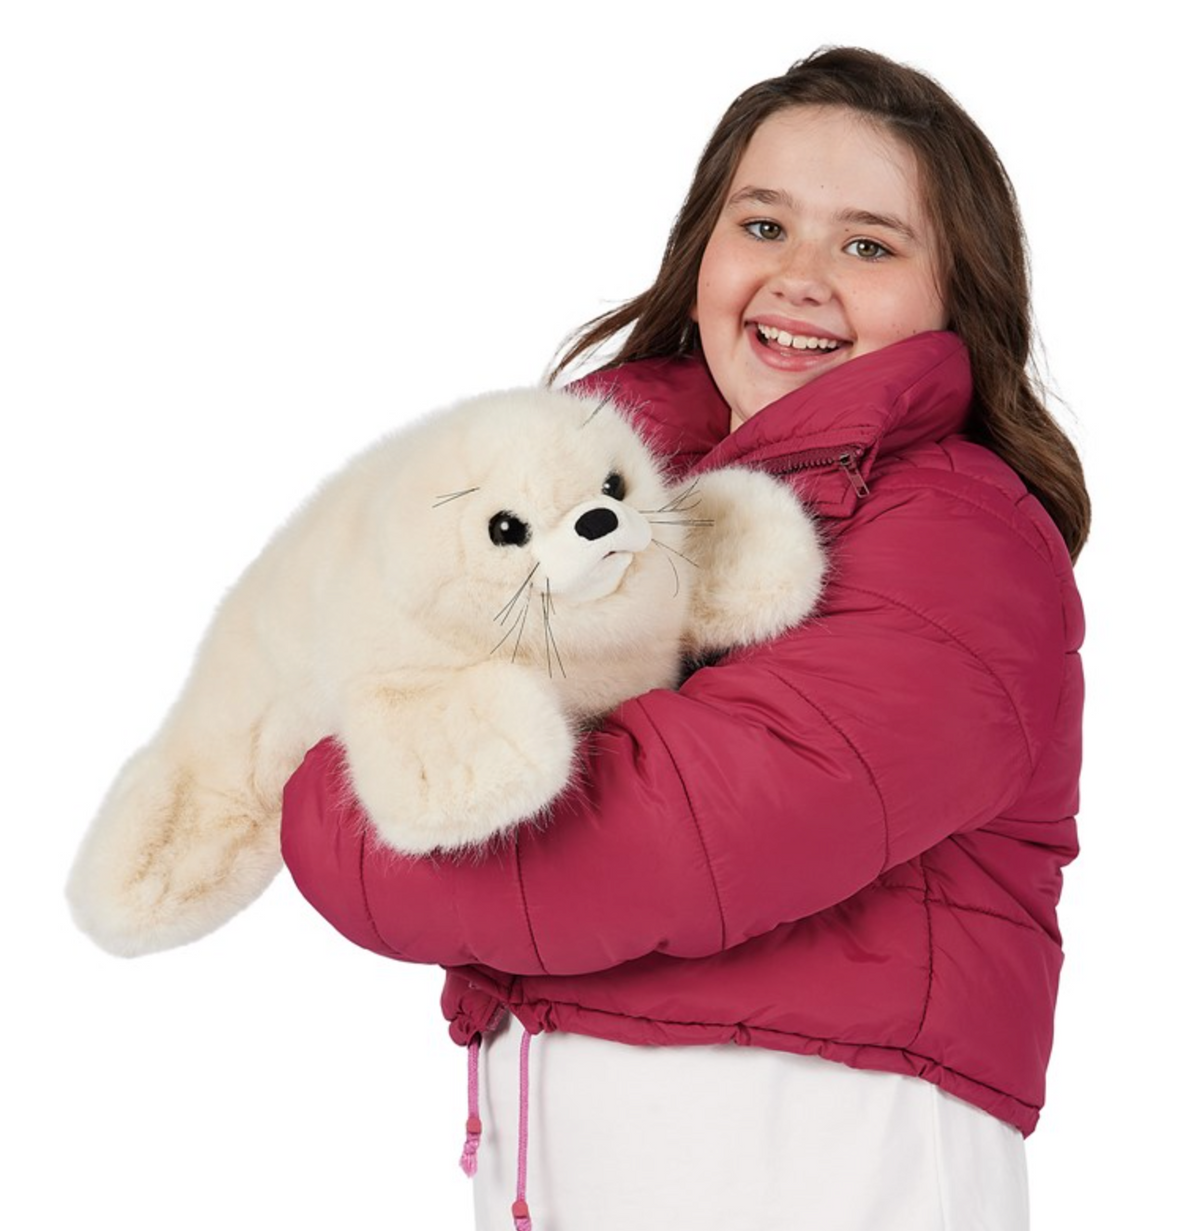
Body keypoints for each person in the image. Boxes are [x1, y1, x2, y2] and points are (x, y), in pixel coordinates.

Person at [280, 47, 1087, 1231]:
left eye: (868, 245)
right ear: (703, 250)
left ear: (953, 299)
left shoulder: (957, 540)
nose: (800, 277)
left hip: (819, 1171)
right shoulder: (601, 515)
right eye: (763, 224)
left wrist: (347, 791)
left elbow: (646, 839)